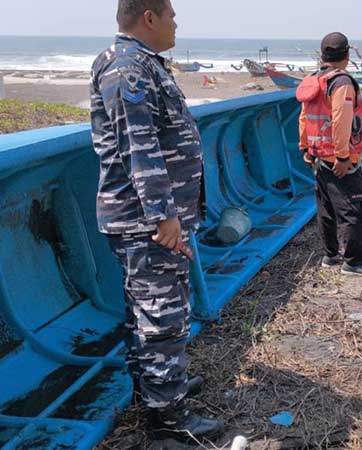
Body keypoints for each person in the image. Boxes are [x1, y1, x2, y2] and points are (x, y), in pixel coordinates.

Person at [90, 0, 224, 442]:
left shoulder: (143, 64)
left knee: (148, 314)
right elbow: (139, 145)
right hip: (146, 223)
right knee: (161, 319)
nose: (176, 23)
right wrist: (163, 216)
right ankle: (166, 422)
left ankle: (158, 390)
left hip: (150, 220)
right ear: (149, 17)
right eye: (171, 15)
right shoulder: (127, 67)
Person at [296, 32, 362, 277]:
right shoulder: (341, 82)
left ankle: (331, 254)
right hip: (340, 159)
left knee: (327, 207)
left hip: (318, 156)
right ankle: (355, 261)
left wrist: (306, 148)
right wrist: (343, 157)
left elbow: (304, 118)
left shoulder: (314, 80)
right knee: (353, 207)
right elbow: (340, 121)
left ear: (323, 55)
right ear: (346, 56)